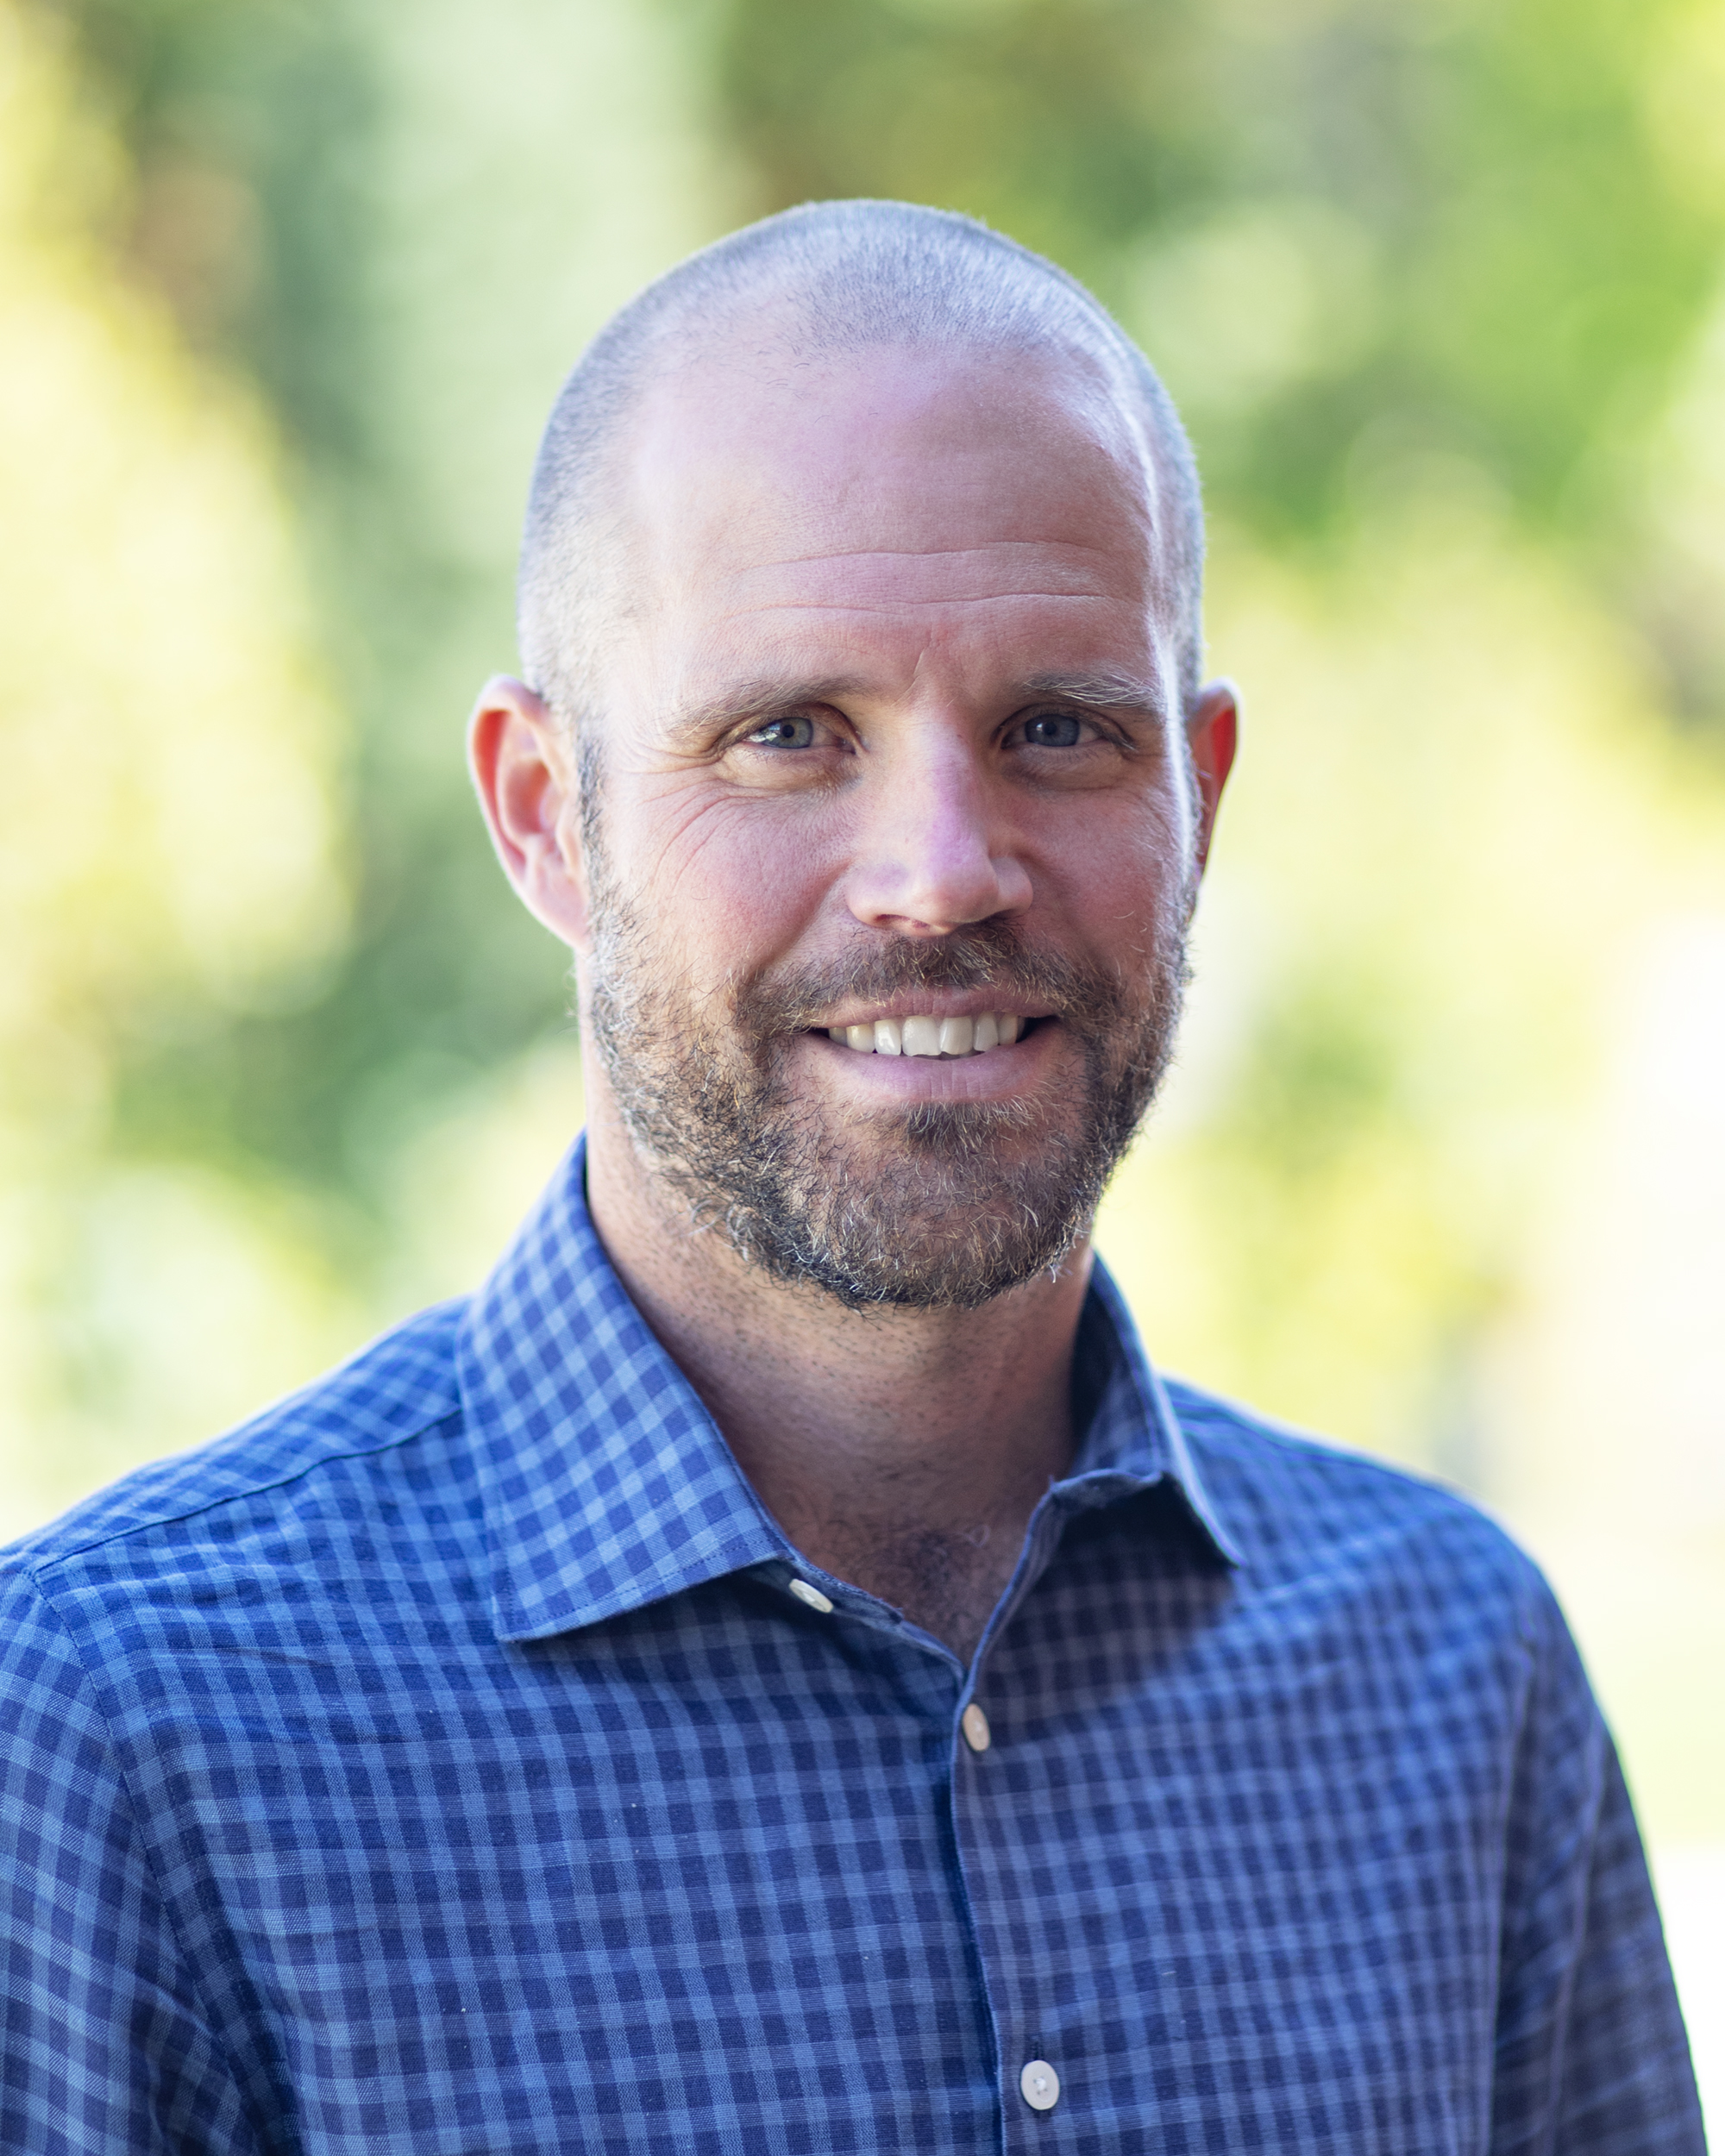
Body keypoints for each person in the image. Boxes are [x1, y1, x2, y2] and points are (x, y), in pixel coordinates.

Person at [0, 201, 1703, 2154]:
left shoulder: (1450, 1685)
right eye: (790, 734)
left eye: (1056, 729)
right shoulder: (116, 1738)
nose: (939, 869)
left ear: (1198, 798)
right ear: (548, 817)